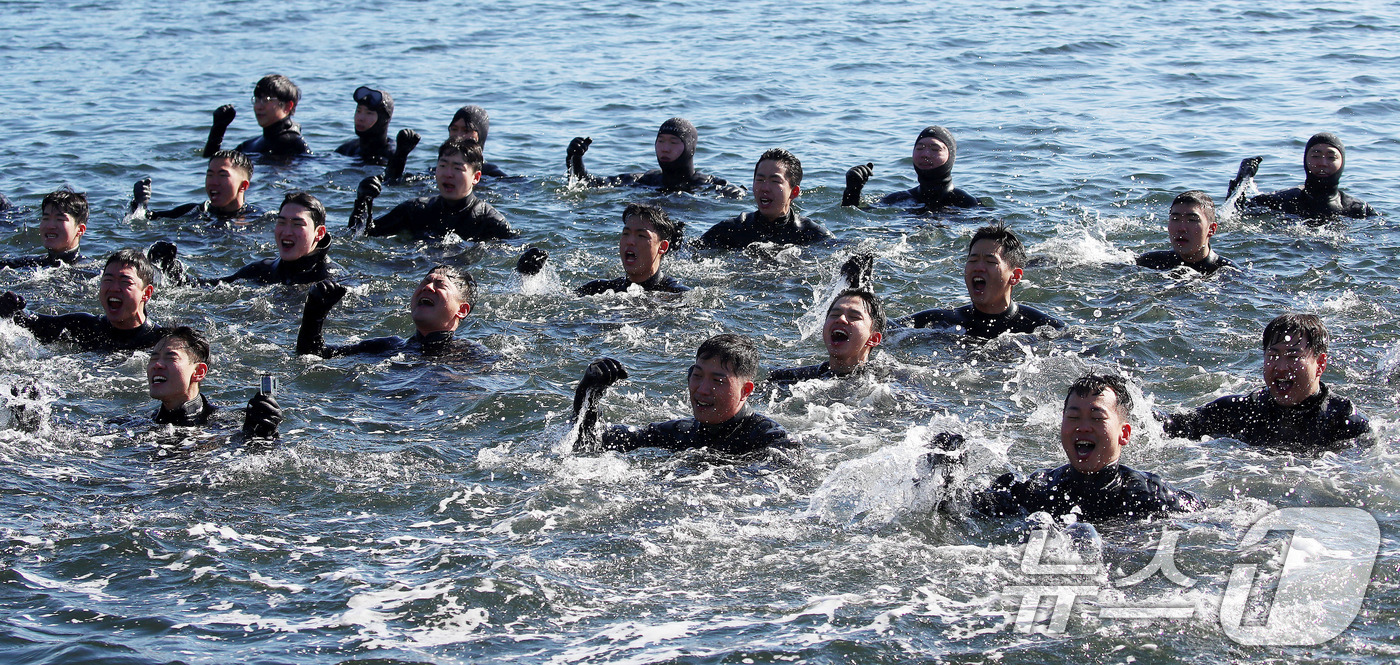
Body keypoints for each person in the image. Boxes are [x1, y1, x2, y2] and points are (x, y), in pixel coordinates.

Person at [973, 374, 1204, 521]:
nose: (1082, 428)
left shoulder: (1151, 495)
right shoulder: (1038, 491)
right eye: (1073, 418)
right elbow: (967, 508)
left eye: (1097, 418)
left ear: (1124, 434)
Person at [1160, 313, 1371, 452]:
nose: (1280, 367)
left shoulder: (1344, 422)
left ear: (1320, 363)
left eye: (1293, 356)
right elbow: (1165, 428)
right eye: (1273, 355)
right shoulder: (1242, 411)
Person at [571, 334, 795, 455]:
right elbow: (591, 442)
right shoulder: (679, 434)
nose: (702, 390)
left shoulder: (771, 440)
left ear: (745, 391)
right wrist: (589, 392)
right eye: (697, 375)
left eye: (717, 381)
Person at [895, 225, 1065, 338]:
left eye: (990, 262)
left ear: (1015, 276)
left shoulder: (1040, 328)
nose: (979, 268)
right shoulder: (942, 321)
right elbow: (883, 329)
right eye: (973, 260)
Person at [147, 191, 341, 287]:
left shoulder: (333, 280)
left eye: (297, 224)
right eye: (282, 222)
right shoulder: (261, 270)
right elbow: (206, 287)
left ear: (319, 233)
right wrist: (170, 269)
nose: (286, 231)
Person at [296, 266, 488, 359]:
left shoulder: (471, 356)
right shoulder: (387, 347)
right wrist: (314, 314)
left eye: (440, 285)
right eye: (424, 282)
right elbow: (312, 356)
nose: (427, 288)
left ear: (461, 310)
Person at [0, 249, 172, 352]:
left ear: (147, 293)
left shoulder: (161, 342)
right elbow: (31, 324)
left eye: (125, 282)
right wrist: (10, 308)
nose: (113, 288)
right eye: (108, 280)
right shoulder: (83, 328)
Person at [349, 138, 517, 241]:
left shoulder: (488, 220)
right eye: (443, 166)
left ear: (476, 177)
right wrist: (363, 201)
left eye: (458, 168)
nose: (448, 174)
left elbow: (516, 247)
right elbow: (362, 235)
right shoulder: (415, 210)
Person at [145, 327, 281, 447]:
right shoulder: (136, 425)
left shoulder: (224, 424)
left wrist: (260, 437)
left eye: (171, 358)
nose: (157, 365)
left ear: (198, 372)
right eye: (154, 358)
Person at [514, 203, 689, 295]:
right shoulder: (599, 290)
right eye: (626, 234)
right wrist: (528, 277)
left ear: (662, 247)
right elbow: (546, 308)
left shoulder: (677, 295)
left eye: (641, 236)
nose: (630, 242)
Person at [565, 118, 743, 197]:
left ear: (690, 148)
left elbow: (741, 195)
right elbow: (587, 185)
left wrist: (738, 193)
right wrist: (575, 159)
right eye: (661, 141)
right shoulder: (644, 180)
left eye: (674, 142)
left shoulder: (710, 185)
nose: (665, 148)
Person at [694, 149, 834, 249]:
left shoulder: (811, 235)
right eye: (760, 180)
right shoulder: (732, 230)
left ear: (794, 192)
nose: (764, 188)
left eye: (775, 181)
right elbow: (689, 252)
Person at [1228, 132, 1377, 221]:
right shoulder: (1281, 201)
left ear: (1343, 162)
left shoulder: (1359, 209)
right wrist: (1241, 180)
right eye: (1316, 156)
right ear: (1305, 160)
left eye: (1331, 157)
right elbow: (1234, 215)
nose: (1323, 163)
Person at [842, 125, 982, 210]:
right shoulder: (898, 200)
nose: (925, 154)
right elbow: (853, 220)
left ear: (951, 156)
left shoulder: (967, 203)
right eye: (920, 148)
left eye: (935, 149)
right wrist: (853, 191)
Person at [769, 288, 885, 384]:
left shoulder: (886, 382)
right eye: (835, 314)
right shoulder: (785, 379)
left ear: (873, 339)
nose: (840, 319)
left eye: (854, 317)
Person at [129, 150, 263, 225]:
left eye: (222, 176)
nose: (213, 182)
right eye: (209, 175)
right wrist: (139, 204)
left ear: (243, 186)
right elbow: (142, 221)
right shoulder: (192, 212)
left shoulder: (260, 219)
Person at [203, 74, 310, 158]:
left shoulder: (293, 144)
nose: (258, 106)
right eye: (257, 100)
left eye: (266, 100)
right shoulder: (248, 145)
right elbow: (214, 166)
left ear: (287, 106)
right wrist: (218, 129)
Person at [1136, 190, 1235, 274]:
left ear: (1211, 229)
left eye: (1192, 220)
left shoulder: (1227, 273)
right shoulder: (1148, 263)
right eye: (1175, 219)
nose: (1181, 228)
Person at [1, 189, 89, 269]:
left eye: (60, 219)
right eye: (46, 218)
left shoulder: (90, 271)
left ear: (80, 230)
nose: (50, 226)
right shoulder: (28, 264)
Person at [334, 86, 396, 166]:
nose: (360, 118)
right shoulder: (349, 148)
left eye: (369, 113)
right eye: (358, 111)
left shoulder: (392, 154)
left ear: (384, 119)